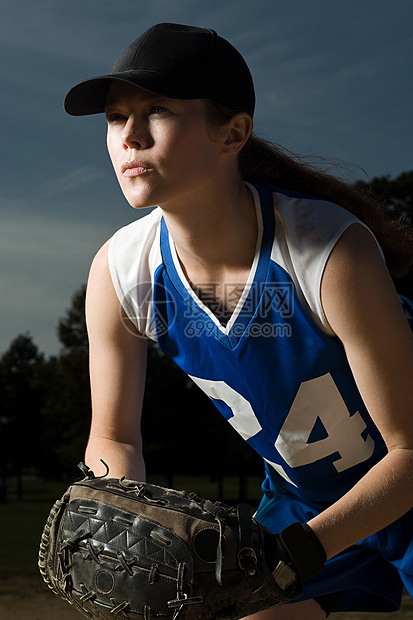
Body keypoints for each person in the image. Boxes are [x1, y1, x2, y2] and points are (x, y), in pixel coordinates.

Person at [64, 23, 413, 618]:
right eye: (116, 118)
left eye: (157, 110)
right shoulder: (121, 272)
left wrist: (302, 550)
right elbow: (115, 436)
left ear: (233, 132)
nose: (130, 136)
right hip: (308, 503)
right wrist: (120, 519)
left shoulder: (329, 253)